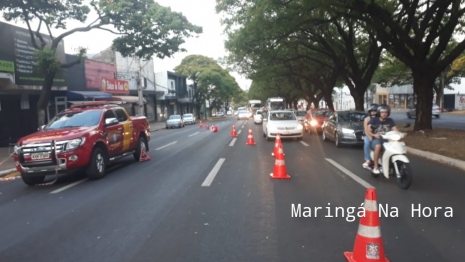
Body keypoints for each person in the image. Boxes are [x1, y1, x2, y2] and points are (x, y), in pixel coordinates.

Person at [367, 105, 399, 174]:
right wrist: (374, 135)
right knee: (378, 146)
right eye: (382, 112)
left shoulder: (390, 120)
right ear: (379, 113)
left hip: (387, 139)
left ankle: (392, 165)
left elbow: (395, 130)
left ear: (388, 113)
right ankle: (376, 167)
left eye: (386, 112)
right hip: (377, 139)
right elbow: (368, 131)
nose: (384, 114)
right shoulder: (374, 120)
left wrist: (400, 134)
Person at [362, 104, 379, 169]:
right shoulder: (367, 119)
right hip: (369, 135)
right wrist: (370, 137)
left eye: (375, 111)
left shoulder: (380, 119)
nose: (374, 112)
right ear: (369, 112)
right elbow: (366, 130)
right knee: (367, 143)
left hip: (379, 136)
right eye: (372, 111)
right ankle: (368, 160)